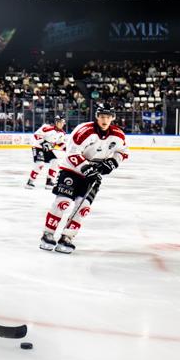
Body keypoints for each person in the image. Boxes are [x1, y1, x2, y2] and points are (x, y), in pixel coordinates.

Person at [39, 104, 129, 254]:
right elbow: (72, 152)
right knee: (63, 202)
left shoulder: (118, 135)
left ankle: (67, 237)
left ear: (112, 118)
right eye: (102, 116)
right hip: (71, 170)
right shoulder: (84, 130)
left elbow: (123, 152)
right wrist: (86, 168)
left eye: (108, 117)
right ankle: (48, 233)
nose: (105, 120)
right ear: (97, 117)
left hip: (93, 174)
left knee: (83, 208)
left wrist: (113, 162)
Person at [25, 116, 67, 190]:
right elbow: (37, 135)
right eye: (60, 122)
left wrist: (67, 149)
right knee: (40, 164)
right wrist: (43, 143)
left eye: (63, 123)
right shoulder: (47, 127)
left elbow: (60, 143)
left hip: (48, 149)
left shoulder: (62, 133)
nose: (62, 124)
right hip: (38, 147)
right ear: (56, 122)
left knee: (55, 162)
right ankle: (30, 181)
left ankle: (49, 181)